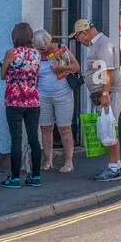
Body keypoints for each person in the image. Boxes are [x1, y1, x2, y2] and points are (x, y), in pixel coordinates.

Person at [69, 19, 121, 181]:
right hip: (104, 92)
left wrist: (105, 93)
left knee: (109, 128)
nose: (78, 41)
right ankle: (116, 166)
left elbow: (108, 70)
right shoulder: (96, 44)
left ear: (83, 33)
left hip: (111, 92)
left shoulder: (103, 43)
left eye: (77, 37)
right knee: (107, 128)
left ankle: (115, 167)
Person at [0, 23, 43, 188]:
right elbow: (35, 76)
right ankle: (36, 176)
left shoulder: (10, 53)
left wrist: (7, 66)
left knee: (16, 139)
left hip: (14, 101)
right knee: (34, 139)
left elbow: (3, 75)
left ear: (15, 36)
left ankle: (15, 178)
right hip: (33, 100)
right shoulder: (36, 54)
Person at [35, 30, 78, 173]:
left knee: (64, 128)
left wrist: (60, 67)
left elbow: (75, 67)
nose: (42, 51)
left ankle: (69, 162)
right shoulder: (35, 54)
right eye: (39, 48)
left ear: (49, 41)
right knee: (45, 128)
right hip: (43, 96)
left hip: (63, 94)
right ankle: (48, 160)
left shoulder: (60, 48)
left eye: (44, 47)